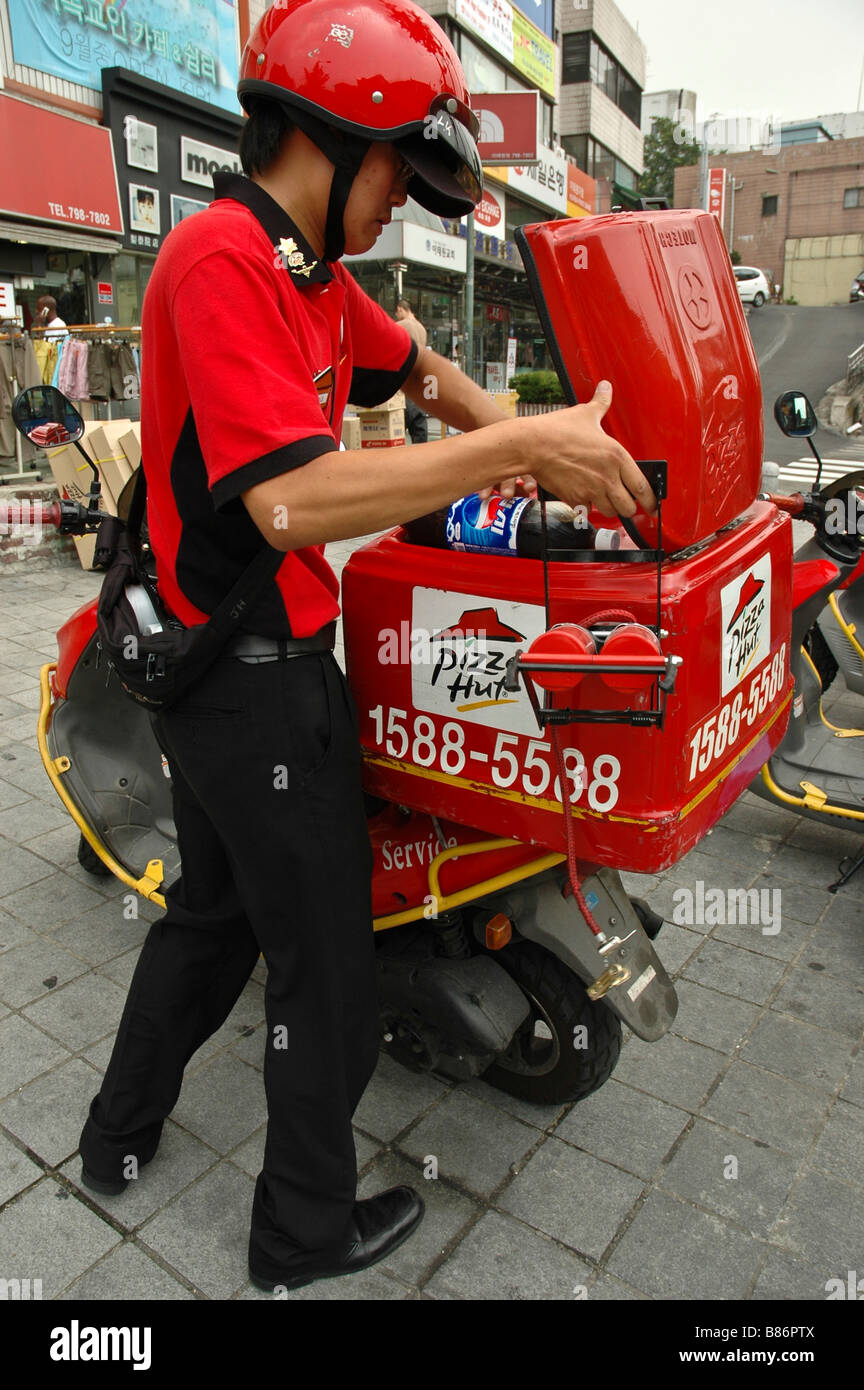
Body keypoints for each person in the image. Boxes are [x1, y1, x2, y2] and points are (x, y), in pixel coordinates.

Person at [77, 0, 654, 1295]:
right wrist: (517, 447)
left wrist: (536, 432)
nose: (403, 204)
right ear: (328, 143)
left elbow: (427, 370)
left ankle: (112, 1142)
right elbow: (289, 499)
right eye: (399, 173)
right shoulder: (221, 262)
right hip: (252, 687)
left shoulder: (312, 276)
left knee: (210, 919)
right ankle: (298, 1237)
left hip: (235, 674)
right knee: (327, 970)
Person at [395, 297, 429, 443]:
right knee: (419, 423)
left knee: (400, 422)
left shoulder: (400, 325)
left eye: (397, 313)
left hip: (404, 380)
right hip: (419, 379)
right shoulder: (422, 328)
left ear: (400, 309)